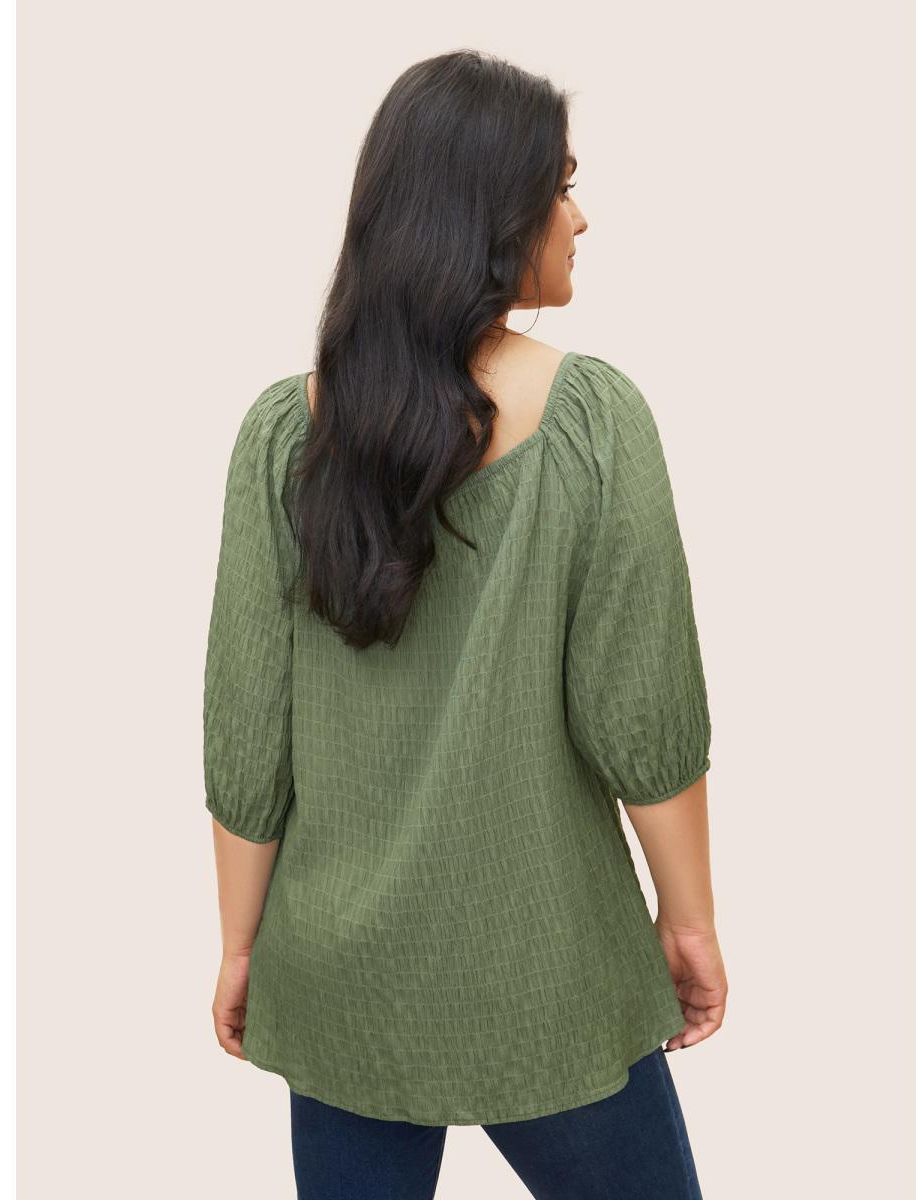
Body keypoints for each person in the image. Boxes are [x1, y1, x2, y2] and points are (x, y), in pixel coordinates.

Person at [203, 48, 727, 1200]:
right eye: (562, 187)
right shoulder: (595, 422)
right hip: (550, 970)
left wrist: (241, 945)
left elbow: (248, 740)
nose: (581, 218)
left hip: (339, 978)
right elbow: (642, 716)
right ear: (490, 215)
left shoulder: (282, 438)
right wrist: (688, 921)